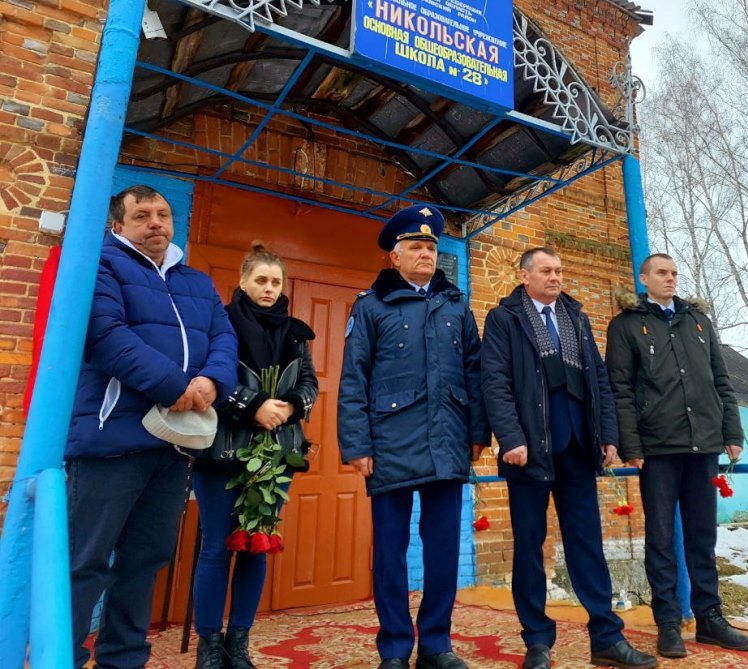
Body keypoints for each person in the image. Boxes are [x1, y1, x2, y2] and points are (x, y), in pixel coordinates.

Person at [66, 185, 238, 669]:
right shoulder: (100, 265)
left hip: (173, 444)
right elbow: (105, 334)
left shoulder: (197, 282)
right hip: (111, 441)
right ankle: (64, 656)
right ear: (118, 225)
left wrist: (211, 382)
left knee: (145, 559)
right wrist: (174, 386)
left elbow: (224, 338)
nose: (157, 222)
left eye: (162, 214)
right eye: (142, 215)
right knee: (84, 561)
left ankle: (123, 658)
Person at [481, 247, 657, 669]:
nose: (555, 277)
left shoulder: (575, 316)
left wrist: (608, 436)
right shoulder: (505, 319)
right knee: (529, 548)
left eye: (559, 271)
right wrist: (511, 437)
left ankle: (606, 638)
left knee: (587, 545)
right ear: (524, 276)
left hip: (578, 449)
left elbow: (599, 379)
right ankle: (537, 642)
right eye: (546, 270)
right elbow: (495, 381)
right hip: (529, 452)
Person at [338, 205, 489, 669]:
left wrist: (477, 432)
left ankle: (437, 645)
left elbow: (475, 372)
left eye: (431, 247)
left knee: (443, 551)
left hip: (448, 441)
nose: (426, 253)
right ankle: (395, 649)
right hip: (389, 445)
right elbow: (353, 378)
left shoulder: (456, 306)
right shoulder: (370, 307)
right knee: (390, 554)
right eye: (416, 246)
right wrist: (357, 444)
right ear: (395, 257)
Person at [605, 252, 748, 658]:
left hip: (704, 444)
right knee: (660, 539)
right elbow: (620, 389)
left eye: (674, 273)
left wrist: (732, 432)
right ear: (644, 278)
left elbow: (721, 380)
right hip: (657, 448)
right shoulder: (625, 325)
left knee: (703, 537)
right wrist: (631, 445)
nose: (670, 278)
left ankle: (710, 619)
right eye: (661, 272)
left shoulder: (698, 321)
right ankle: (668, 623)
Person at [192, 243, 318, 669]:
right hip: (223, 452)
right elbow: (210, 378)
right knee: (216, 547)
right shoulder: (219, 324)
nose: (269, 289)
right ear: (243, 282)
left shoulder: (296, 334)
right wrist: (254, 406)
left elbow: (309, 384)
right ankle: (210, 645)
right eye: (260, 280)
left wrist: (291, 407)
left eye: (275, 282)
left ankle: (239, 643)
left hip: (276, 455)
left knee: (255, 546)